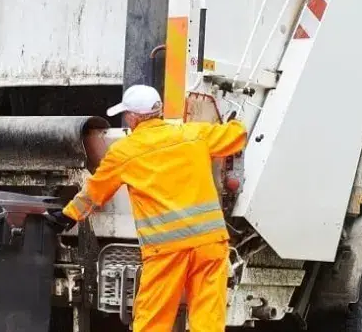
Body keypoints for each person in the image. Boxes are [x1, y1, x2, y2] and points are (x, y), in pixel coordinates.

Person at [53, 84, 247, 332]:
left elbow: (94, 193)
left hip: (167, 251)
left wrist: (67, 215)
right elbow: (236, 137)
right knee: (208, 320)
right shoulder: (194, 134)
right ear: (159, 110)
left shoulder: (124, 152)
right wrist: (236, 121)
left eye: (126, 115)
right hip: (210, 244)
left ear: (133, 117)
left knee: (153, 321)